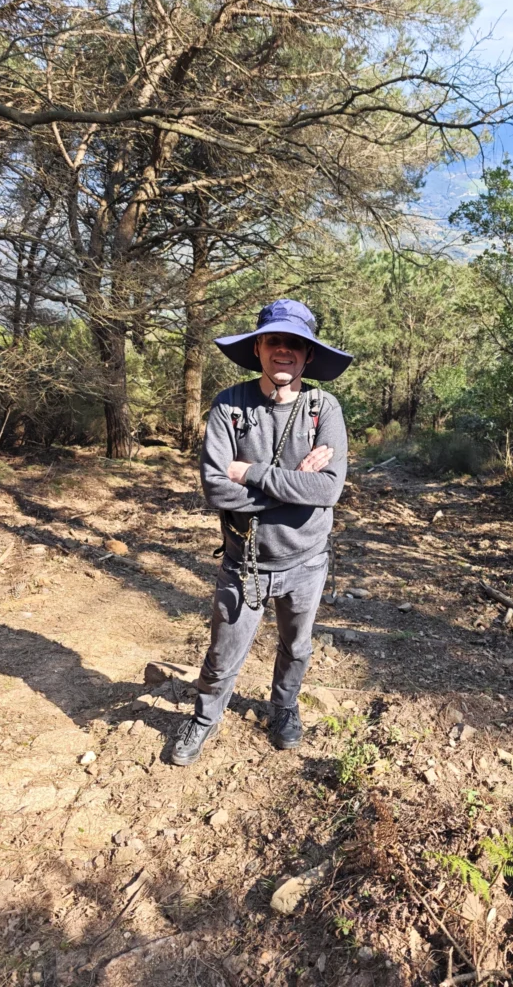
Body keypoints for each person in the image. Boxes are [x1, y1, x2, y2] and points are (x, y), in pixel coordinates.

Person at [171, 299, 352, 766]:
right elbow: (216, 489)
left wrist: (250, 473)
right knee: (223, 651)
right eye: (275, 340)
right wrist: (296, 486)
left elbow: (328, 490)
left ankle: (284, 708)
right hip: (244, 561)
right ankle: (205, 718)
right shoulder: (229, 405)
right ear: (258, 348)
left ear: (309, 355)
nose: (284, 350)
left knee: (297, 646)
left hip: (307, 561)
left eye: (295, 343)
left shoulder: (324, 408)